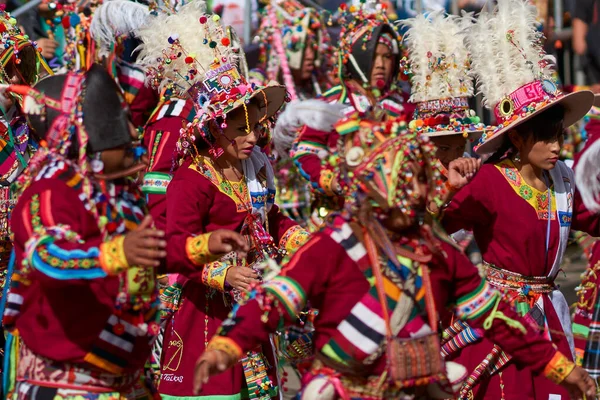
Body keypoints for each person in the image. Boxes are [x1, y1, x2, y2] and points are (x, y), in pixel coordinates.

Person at [191, 113, 596, 400]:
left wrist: (562, 369)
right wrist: (225, 347)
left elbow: (496, 317)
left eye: (423, 180)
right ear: (379, 184)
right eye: (413, 180)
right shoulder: (335, 245)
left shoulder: (437, 254)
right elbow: (275, 300)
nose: (423, 191)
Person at [136, 3, 309, 398]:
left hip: (251, 303)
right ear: (214, 126)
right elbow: (174, 247)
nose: (251, 136)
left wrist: (299, 238)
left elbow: (269, 218)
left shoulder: (256, 167)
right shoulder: (192, 179)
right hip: (206, 313)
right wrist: (224, 274)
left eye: (255, 124)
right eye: (239, 125)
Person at [428, 1, 600, 398]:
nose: (558, 146)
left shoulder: (564, 180)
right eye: (548, 137)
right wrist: (444, 189)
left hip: (550, 320)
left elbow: (593, 217)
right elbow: (435, 224)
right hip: (501, 321)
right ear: (519, 138)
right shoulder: (488, 181)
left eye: (560, 135)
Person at [0, 64, 169, 399]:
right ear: (84, 137)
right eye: (118, 136)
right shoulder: (49, 191)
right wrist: (117, 253)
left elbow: (150, 253)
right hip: (66, 383)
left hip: (125, 377)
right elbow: (45, 257)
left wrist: (200, 249)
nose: (134, 142)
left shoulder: (118, 194)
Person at [291, 1, 410, 201]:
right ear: (356, 58)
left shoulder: (404, 105)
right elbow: (306, 151)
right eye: (373, 56)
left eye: (387, 56)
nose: (380, 65)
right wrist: (332, 182)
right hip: (341, 210)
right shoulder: (330, 103)